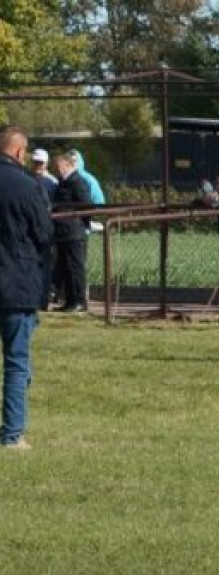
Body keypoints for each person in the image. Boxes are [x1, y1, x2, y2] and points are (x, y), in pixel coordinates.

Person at [0, 127, 53, 449]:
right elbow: (44, 233)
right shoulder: (27, 186)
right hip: (17, 283)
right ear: (20, 152)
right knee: (17, 361)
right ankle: (12, 433)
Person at [52, 152, 92, 313]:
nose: (57, 169)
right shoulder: (63, 183)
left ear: (68, 165)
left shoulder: (77, 182)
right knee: (65, 267)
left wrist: (81, 224)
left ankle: (79, 301)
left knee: (75, 268)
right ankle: (70, 301)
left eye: (59, 166)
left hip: (73, 231)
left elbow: (86, 206)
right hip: (62, 232)